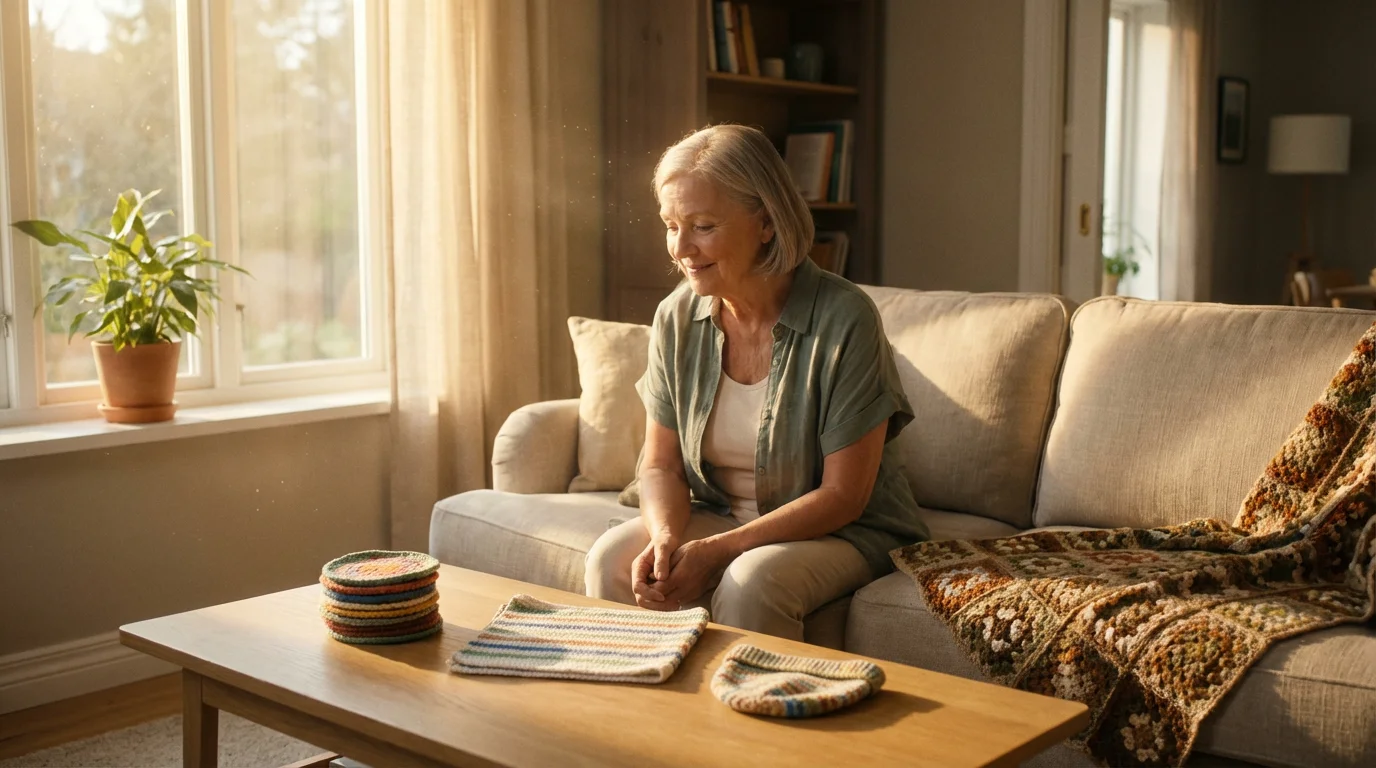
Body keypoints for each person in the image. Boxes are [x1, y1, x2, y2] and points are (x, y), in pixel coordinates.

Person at [584, 124, 928, 641]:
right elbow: (659, 464)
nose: (681, 248)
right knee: (613, 558)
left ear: (766, 223)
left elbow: (843, 496)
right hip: (720, 512)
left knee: (751, 581)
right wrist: (665, 539)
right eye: (670, 225)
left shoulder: (844, 318)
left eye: (702, 226)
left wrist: (720, 550)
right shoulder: (677, 317)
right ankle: (642, 714)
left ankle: (753, 714)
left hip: (844, 531)